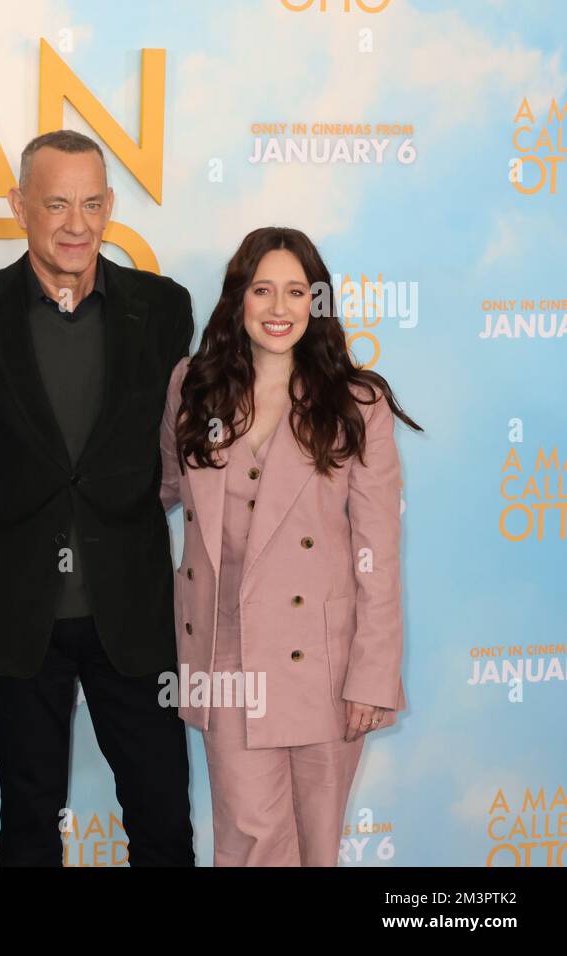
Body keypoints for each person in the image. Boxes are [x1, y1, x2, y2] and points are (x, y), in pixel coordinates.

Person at [0, 130, 195, 866]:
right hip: (16, 619)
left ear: (110, 206)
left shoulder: (164, 307)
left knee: (163, 821)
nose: (76, 223)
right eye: (55, 203)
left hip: (134, 617)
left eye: (90, 203)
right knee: (27, 825)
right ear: (19, 207)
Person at [159, 226, 418, 866]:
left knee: (316, 846)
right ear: (237, 301)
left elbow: (377, 553)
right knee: (249, 842)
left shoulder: (358, 403)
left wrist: (372, 677)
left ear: (317, 303)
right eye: (263, 290)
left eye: (296, 292)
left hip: (325, 667)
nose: (279, 309)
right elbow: (160, 490)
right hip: (228, 658)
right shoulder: (192, 387)